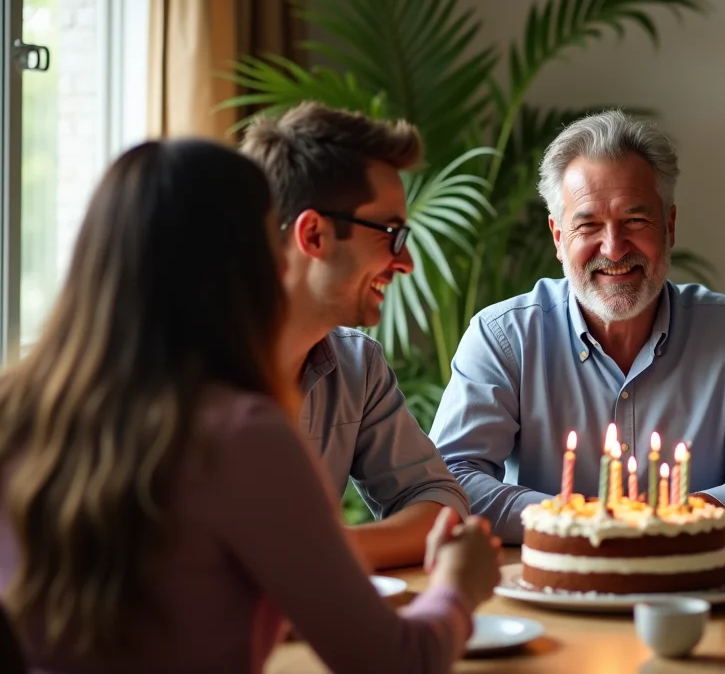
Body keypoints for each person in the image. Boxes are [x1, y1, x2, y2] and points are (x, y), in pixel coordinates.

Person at [0, 140, 501, 673]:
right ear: (243, 261)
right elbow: (397, 662)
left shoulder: (18, 407)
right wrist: (457, 585)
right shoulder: (241, 435)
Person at [430, 110, 725, 544]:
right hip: (549, 586)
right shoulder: (502, 336)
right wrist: (576, 522)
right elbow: (453, 478)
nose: (613, 249)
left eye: (635, 221)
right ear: (558, 238)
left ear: (668, 227)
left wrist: (677, 522)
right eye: (588, 224)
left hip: (694, 587)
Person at [240, 103, 467, 569]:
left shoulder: (356, 367)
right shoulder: (179, 373)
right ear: (315, 235)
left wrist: (324, 555)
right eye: (391, 234)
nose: (406, 263)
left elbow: (438, 501)